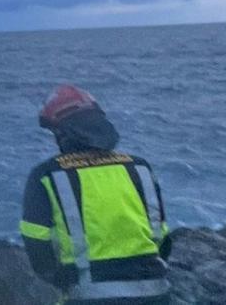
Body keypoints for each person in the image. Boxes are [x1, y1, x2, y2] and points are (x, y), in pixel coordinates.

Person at [19, 85, 172, 304]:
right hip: (155, 293)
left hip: (88, 296)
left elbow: (37, 246)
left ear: (62, 133)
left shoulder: (47, 176)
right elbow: (162, 237)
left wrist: (61, 277)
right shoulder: (139, 168)